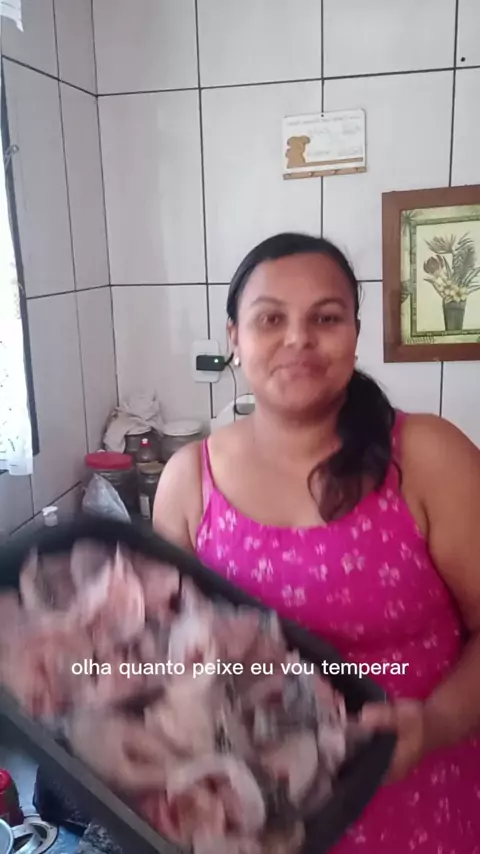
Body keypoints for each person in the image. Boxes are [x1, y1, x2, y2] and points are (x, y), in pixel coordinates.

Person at [153, 232, 480, 853]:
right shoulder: (189, 481)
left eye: (325, 318)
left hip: (420, 809)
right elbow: (162, 652)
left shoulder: (428, 457)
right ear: (234, 338)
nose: (298, 338)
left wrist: (436, 724)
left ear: (355, 333)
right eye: (270, 319)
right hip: (259, 819)